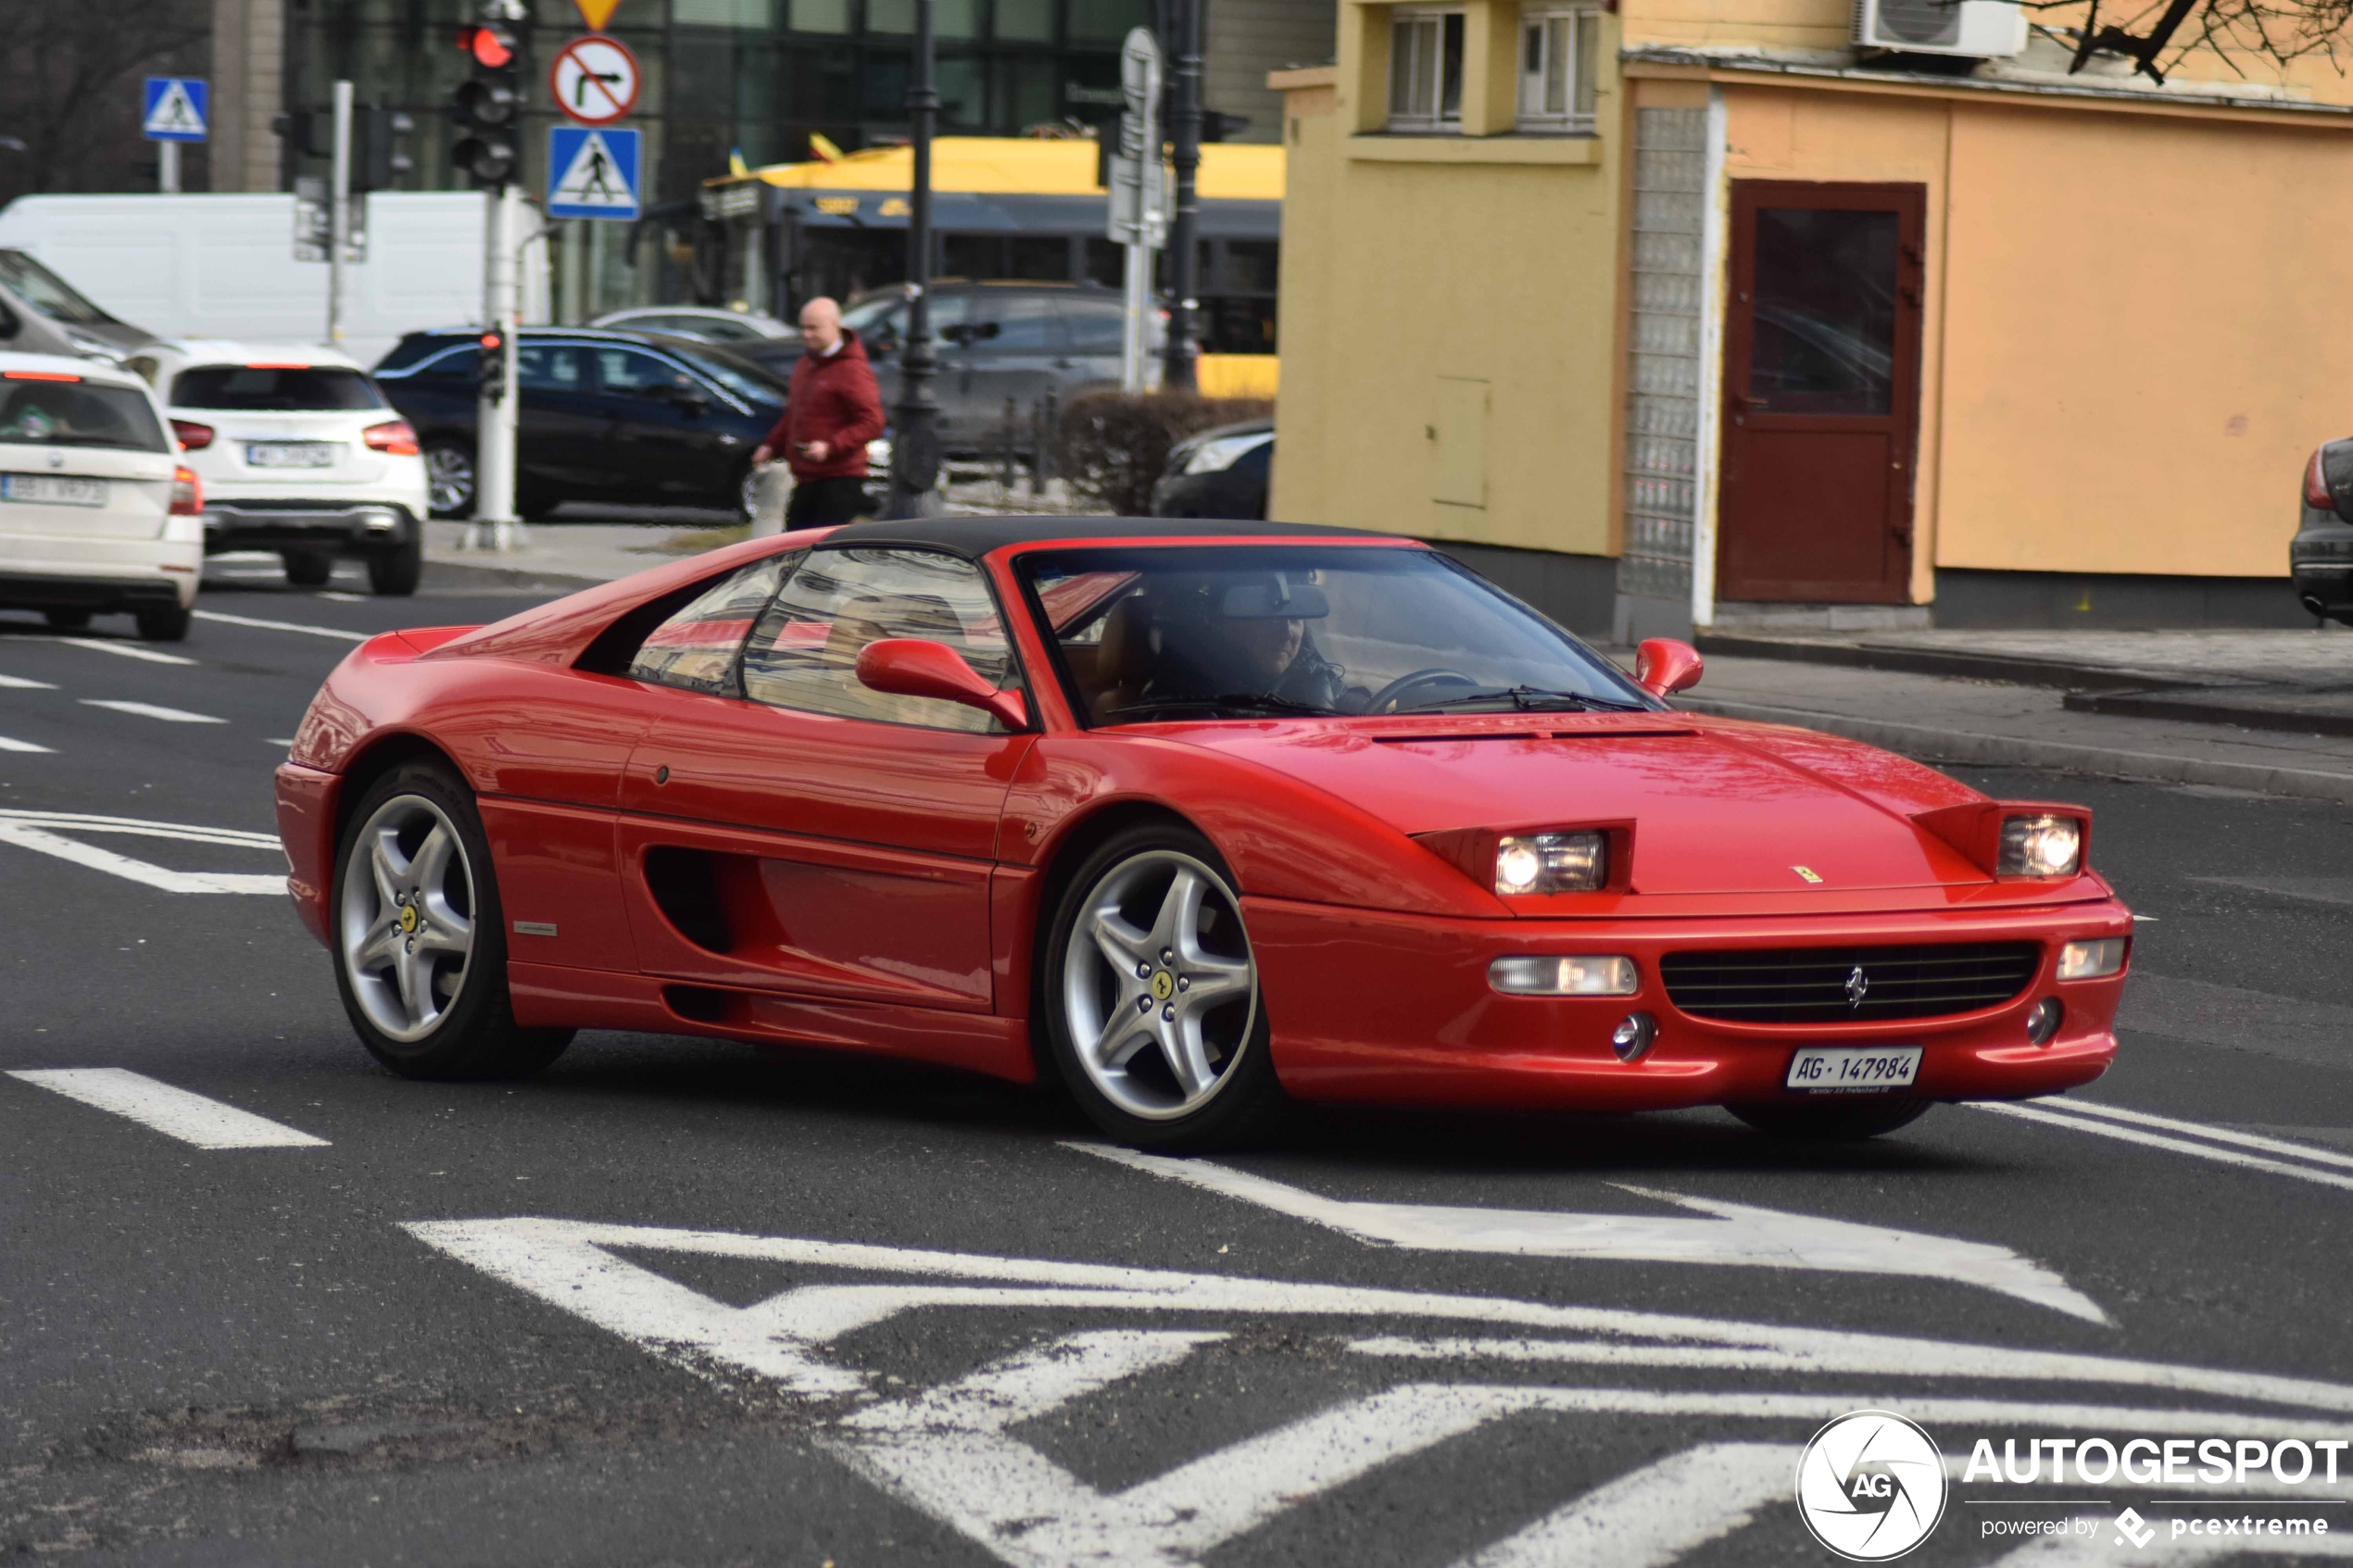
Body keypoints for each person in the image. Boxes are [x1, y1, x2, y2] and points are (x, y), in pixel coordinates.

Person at [751, 296, 886, 529]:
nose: (806, 334)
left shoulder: (852, 370)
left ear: (835, 326)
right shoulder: (806, 364)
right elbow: (794, 414)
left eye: (814, 328)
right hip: (806, 476)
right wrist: (772, 445)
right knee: (793, 547)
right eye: (803, 327)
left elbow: (872, 421)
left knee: (822, 551)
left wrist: (830, 446)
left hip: (840, 478)